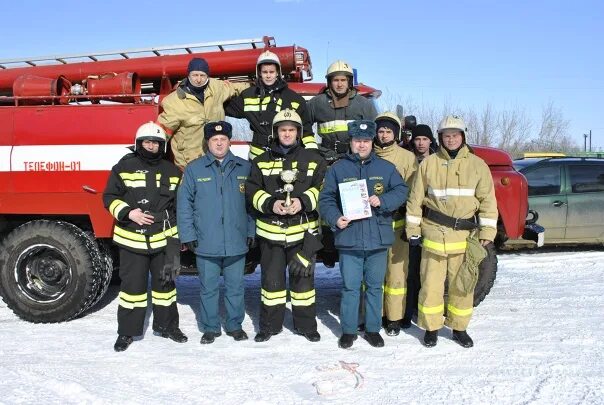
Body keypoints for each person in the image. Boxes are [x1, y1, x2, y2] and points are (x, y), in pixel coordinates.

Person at [405, 115, 498, 348]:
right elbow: (415, 200)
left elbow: (488, 200)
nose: (452, 139)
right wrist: (412, 228)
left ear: (463, 136)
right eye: (447, 136)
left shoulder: (478, 165)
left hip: (465, 237)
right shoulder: (429, 163)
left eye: (456, 135)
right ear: (441, 138)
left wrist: (487, 230)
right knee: (431, 286)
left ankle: (459, 328)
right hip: (434, 233)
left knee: (462, 285)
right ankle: (431, 328)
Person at [319, 120, 408, 349]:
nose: (362, 145)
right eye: (358, 141)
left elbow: (401, 191)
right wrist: (335, 218)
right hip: (349, 238)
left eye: (366, 141)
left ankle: (372, 329)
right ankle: (348, 330)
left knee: (375, 286)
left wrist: (384, 200)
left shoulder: (386, 168)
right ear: (351, 142)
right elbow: (326, 199)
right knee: (350, 287)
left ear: (372, 142)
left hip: (377, 238)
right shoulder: (338, 169)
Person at [103, 122, 188, 352]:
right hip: (132, 238)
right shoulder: (123, 168)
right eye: (147, 142)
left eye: (156, 143)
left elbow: (180, 206)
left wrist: (180, 237)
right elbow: (109, 197)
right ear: (139, 143)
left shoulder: (173, 171)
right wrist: (129, 213)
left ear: (162, 146)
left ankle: (168, 326)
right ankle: (127, 332)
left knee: (167, 286)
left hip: (166, 239)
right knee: (133, 289)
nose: (151, 146)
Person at [246, 109, 327, 343]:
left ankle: (306, 326)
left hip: (303, 234)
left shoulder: (314, 159)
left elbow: (322, 189)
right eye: (283, 130)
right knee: (271, 285)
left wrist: (302, 202)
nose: (287, 134)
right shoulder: (261, 161)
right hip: (271, 234)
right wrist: (272, 204)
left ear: (299, 133)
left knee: (304, 283)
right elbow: (252, 190)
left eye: (292, 130)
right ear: (275, 132)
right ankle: (269, 326)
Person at [177, 121, 254, 344]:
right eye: (214, 140)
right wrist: (188, 235)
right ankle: (210, 327)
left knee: (235, 287)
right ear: (207, 142)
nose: (219, 143)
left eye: (223, 140)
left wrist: (251, 230)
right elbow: (184, 204)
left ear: (229, 141)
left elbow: (251, 205)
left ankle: (234, 325)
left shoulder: (243, 168)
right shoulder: (194, 169)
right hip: (206, 241)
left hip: (236, 239)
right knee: (208, 288)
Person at [157, 57, 249, 170]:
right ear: (188, 75)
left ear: (207, 76)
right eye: (195, 75)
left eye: (202, 75)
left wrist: (257, 87)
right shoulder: (174, 102)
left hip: (216, 159)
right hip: (188, 164)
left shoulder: (217, 88)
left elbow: (236, 87)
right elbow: (161, 130)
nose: (199, 79)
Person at [225, 50, 317, 160]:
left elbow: (305, 131)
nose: (268, 75)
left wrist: (313, 156)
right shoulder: (248, 95)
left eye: (271, 72)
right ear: (259, 73)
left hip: (286, 156)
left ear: (278, 72)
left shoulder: (294, 99)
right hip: (257, 157)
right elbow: (222, 107)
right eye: (265, 72)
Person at [372, 113, 417, 336]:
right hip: (371, 225)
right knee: (372, 274)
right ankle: (374, 314)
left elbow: (413, 193)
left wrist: (410, 225)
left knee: (396, 273)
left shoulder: (407, 158)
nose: (383, 135)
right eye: (380, 131)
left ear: (396, 134)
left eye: (388, 131)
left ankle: (394, 318)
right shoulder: (366, 154)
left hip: (397, 223)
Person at [402, 123, 438, 326]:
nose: (421, 143)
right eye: (417, 139)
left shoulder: (437, 161)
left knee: (429, 269)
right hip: (412, 218)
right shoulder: (408, 160)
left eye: (425, 139)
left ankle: (424, 307)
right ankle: (408, 310)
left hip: (432, 219)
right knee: (411, 266)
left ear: (431, 140)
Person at [307, 60, 378, 163]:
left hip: (354, 158)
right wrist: (313, 149)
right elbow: (303, 127)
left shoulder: (363, 104)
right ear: (330, 82)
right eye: (336, 80)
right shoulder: (317, 103)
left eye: (343, 80)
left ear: (349, 82)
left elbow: (374, 133)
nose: (340, 84)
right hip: (325, 157)